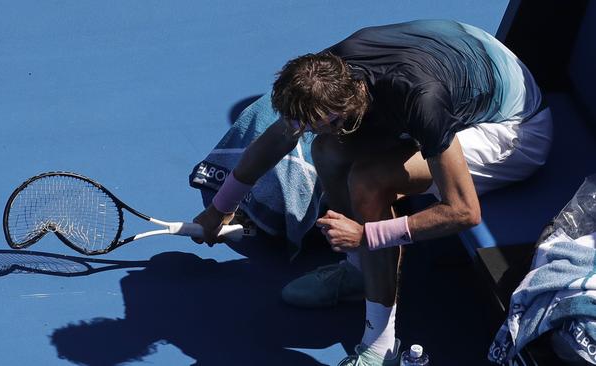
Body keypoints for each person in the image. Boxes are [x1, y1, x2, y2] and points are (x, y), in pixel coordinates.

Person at [192, 19, 552, 366]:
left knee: (368, 181)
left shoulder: (420, 97)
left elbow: (463, 211)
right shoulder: (330, 71)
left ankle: (380, 347)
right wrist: (220, 208)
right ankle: (359, 272)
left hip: (515, 129)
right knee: (326, 152)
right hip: (466, 74)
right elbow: (278, 139)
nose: (326, 129)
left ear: (355, 95)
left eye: (334, 122)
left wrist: (366, 234)